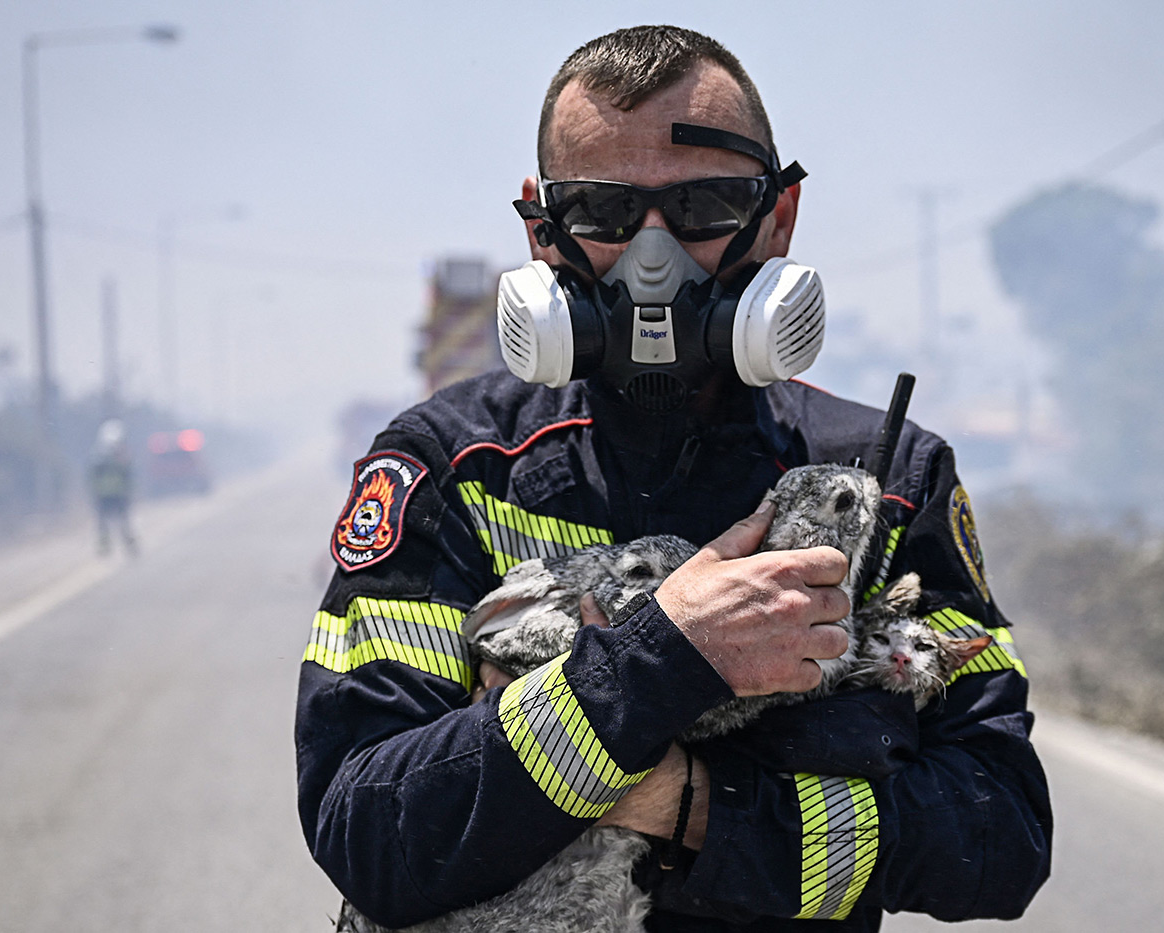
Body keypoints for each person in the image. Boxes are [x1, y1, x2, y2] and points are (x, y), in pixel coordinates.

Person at [296, 25, 1051, 931]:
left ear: (779, 216)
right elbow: (370, 829)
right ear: (543, 231)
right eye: (604, 215)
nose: (655, 260)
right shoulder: (450, 467)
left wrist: (691, 805)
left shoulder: (883, 482)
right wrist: (664, 655)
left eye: (704, 207)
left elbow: (1000, 839)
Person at [89, 418, 137, 556]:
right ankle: (109, 547)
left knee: (120, 522)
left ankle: (127, 545)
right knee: (111, 523)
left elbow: (127, 474)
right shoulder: (100, 456)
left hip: (113, 494)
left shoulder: (102, 455)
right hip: (109, 495)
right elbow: (94, 476)